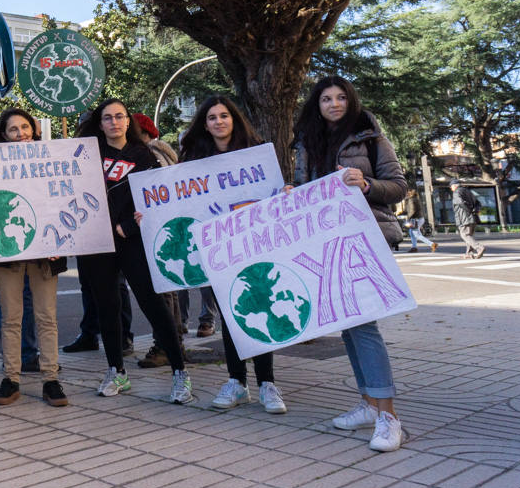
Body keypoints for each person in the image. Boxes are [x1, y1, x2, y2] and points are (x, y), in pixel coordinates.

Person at [292, 76, 408, 452]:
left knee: (363, 325)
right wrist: (291, 192)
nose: (335, 104)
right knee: (347, 324)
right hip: (325, 240)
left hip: (366, 236)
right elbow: (302, 188)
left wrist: (367, 185)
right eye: (326, 98)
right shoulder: (307, 141)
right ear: (317, 104)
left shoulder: (369, 136)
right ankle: (369, 404)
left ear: (352, 101)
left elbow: (398, 186)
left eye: (342, 97)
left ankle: (389, 417)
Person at [172, 97, 288, 414]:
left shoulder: (256, 154)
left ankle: (267, 384)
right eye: (212, 117)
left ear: (234, 119)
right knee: (229, 315)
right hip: (216, 250)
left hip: (253, 245)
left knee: (260, 308)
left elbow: (273, 193)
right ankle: (237, 381)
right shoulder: (194, 160)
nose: (219, 121)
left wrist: (285, 191)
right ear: (204, 124)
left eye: (224, 115)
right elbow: (176, 203)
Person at [76, 98, 191, 403]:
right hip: (96, 243)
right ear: (99, 123)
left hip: (131, 240)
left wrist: (127, 225)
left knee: (154, 304)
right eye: (107, 118)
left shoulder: (143, 155)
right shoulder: (86, 155)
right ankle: (117, 371)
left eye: (119, 117)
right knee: (107, 308)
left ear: (129, 121)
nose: (114, 122)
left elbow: (156, 199)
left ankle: (180, 373)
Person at [0, 108, 68, 407]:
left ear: (34, 129)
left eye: (25, 127)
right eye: (13, 130)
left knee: (47, 316)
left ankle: (51, 379)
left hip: (46, 251)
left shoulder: (51, 159)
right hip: (9, 251)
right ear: (3, 135)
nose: (21, 133)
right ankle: (11, 379)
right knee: (11, 317)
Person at [131, 113, 190, 369]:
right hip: (165, 229)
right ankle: (173, 342)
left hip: (157, 230)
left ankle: (166, 345)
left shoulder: (150, 155)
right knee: (168, 290)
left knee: (162, 292)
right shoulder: (162, 154)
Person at [450, 179, 485, 258]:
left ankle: (479, 248)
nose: (451, 189)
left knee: (464, 235)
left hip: (464, 217)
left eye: (451, 187)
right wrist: (474, 211)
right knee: (469, 236)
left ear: (454, 186)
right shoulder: (468, 191)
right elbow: (478, 203)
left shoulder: (456, 192)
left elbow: (460, 202)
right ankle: (469, 253)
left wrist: (468, 210)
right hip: (473, 217)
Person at [399, 188, 437, 253]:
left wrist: (408, 218)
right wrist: (401, 213)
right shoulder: (413, 199)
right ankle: (414, 247)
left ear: (408, 193)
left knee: (417, 235)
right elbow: (408, 210)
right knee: (412, 233)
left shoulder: (411, 200)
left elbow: (412, 210)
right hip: (418, 218)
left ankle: (432, 244)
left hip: (416, 219)